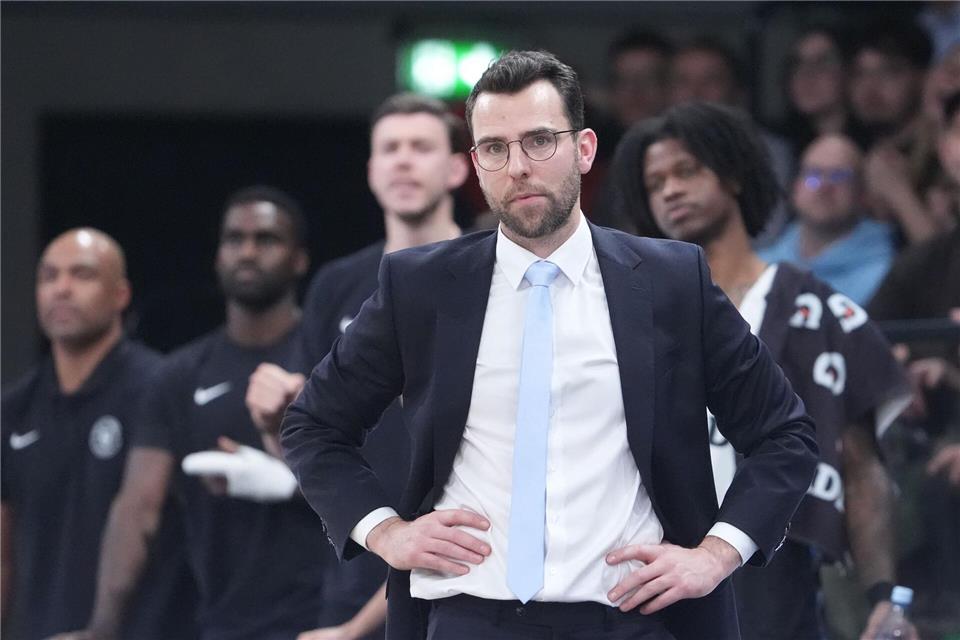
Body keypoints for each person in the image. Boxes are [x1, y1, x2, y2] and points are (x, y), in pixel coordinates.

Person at [281, 49, 818, 640]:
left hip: (631, 619)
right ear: (477, 165)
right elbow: (313, 425)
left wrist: (716, 554)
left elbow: (783, 434)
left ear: (584, 149)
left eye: (540, 141)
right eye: (496, 148)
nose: (518, 166)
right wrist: (385, 531)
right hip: (468, 617)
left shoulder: (670, 281)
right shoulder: (420, 286)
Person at [606, 101, 914, 640]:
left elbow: (860, 464)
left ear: (733, 175)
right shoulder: (627, 312)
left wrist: (885, 597)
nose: (670, 191)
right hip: (643, 558)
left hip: (769, 561)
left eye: (686, 171)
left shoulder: (812, 308)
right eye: (655, 183)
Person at [247, 93, 469, 640]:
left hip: (466, 564)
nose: (403, 160)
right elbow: (311, 448)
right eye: (389, 148)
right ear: (371, 171)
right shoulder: (336, 285)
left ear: (457, 167)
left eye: (421, 146)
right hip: (357, 560)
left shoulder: (494, 275)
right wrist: (272, 424)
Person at [62, 187, 325, 640]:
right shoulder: (179, 375)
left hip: (326, 621)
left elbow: (385, 486)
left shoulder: (333, 360)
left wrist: (288, 481)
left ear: (299, 259)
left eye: (266, 239)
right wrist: (101, 628)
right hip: (219, 620)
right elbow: (137, 508)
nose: (247, 251)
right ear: (217, 255)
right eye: (234, 239)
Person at [1, 228, 195, 640]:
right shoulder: (13, 408)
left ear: (121, 295)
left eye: (82, 275)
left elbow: (152, 512)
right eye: (49, 276)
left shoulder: (159, 387)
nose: (62, 289)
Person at [667, 36, 795, 246]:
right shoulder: (650, 155)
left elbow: (768, 237)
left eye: (710, 80)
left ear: (738, 92)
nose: (695, 92)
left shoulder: (772, 154)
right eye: (683, 81)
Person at [759, 133, 897, 306]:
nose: (824, 186)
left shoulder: (889, 275)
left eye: (839, 176)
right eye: (813, 174)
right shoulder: (761, 268)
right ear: (795, 187)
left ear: (862, 193)